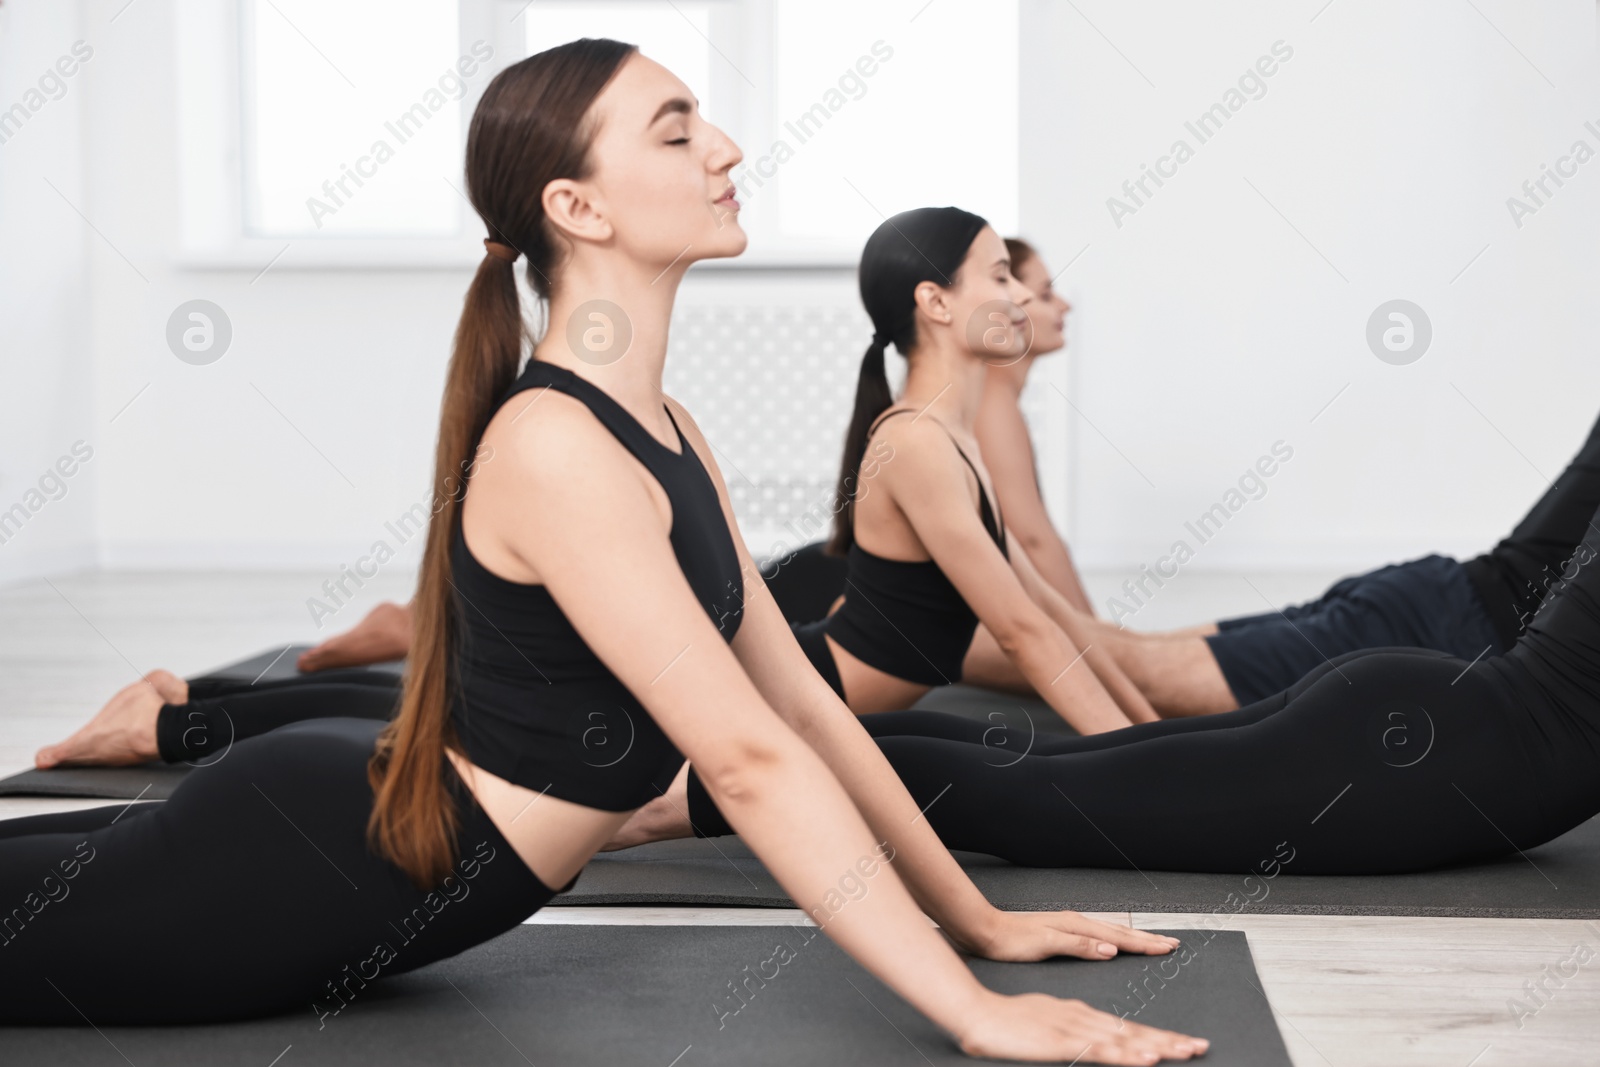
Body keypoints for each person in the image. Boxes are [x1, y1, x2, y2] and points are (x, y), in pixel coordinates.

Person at [2, 39, 1209, 1064]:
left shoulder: (668, 429)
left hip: (363, 830)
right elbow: (742, 759)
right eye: (677, 133)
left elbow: (804, 705)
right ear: (576, 207)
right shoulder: (554, 444)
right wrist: (975, 1017)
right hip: (311, 865)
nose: (727, 149)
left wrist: (974, 921)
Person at [627, 487, 1600, 881]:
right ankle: (646, 801)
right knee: (1029, 792)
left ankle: (661, 781)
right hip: (1418, 752)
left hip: (1416, 718)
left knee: (1037, 776)